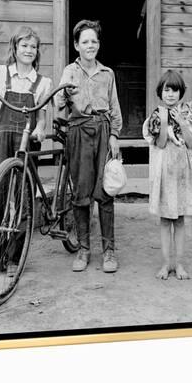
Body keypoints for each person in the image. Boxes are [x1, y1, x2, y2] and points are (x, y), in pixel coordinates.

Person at [0, 26, 52, 276]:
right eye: (24, 46)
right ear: (15, 48)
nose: (29, 50)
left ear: (37, 51)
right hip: (2, 139)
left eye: (33, 47)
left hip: (26, 141)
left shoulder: (42, 82)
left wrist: (40, 129)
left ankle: (14, 259)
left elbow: (41, 117)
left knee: (23, 199)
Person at [56, 19, 122, 273]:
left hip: (104, 131)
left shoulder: (107, 73)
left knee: (105, 191)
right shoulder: (69, 72)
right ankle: (84, 249)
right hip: (79, 132)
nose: (90, 45)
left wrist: (115, 135)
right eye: (85, 41)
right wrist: (64, 94)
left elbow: (114, 107)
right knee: (81, 193)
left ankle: (109, 252)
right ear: (76, 45)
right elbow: (60, 104)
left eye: (94, 41)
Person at [142, 70, 192, 280]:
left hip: (182, 173)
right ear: (160, 92)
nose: (170, 95)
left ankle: (180, 264)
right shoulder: (156, 116)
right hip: (164, 173)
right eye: (167, 90)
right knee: (166, 220)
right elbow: (159, 143)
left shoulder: (187, 115)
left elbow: (191, 143)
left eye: (175, 90)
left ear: (180, 93)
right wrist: (166, 122)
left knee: (179, 221)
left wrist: (182, 122)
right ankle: (166, 264)